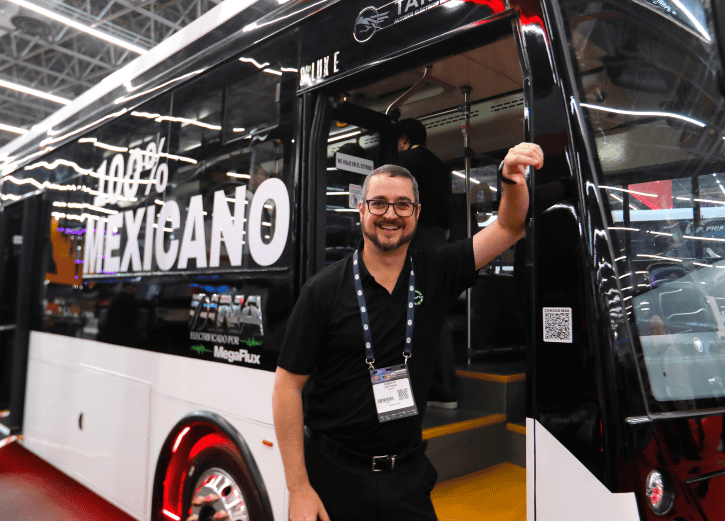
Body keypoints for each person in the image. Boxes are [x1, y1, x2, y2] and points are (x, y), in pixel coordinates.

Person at [228, 142, 565, 521]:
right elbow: (287, 388)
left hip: (407, 476)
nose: (391, 215)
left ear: (417, 213)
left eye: (402, 205)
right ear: (362, 209)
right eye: (379, 203)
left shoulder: (437, 269)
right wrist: (298, 487)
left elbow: (508, 226)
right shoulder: (322, 291)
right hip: (333, 476)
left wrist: (510, 180)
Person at [393, 118, 457, 409]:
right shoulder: (440, 166)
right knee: (434, 310)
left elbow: (400, 206)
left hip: (414, 240)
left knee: (397, 308)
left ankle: (400, 397)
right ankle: (445, 390)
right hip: (439, 242)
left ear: (403, 138)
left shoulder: (404, 160)